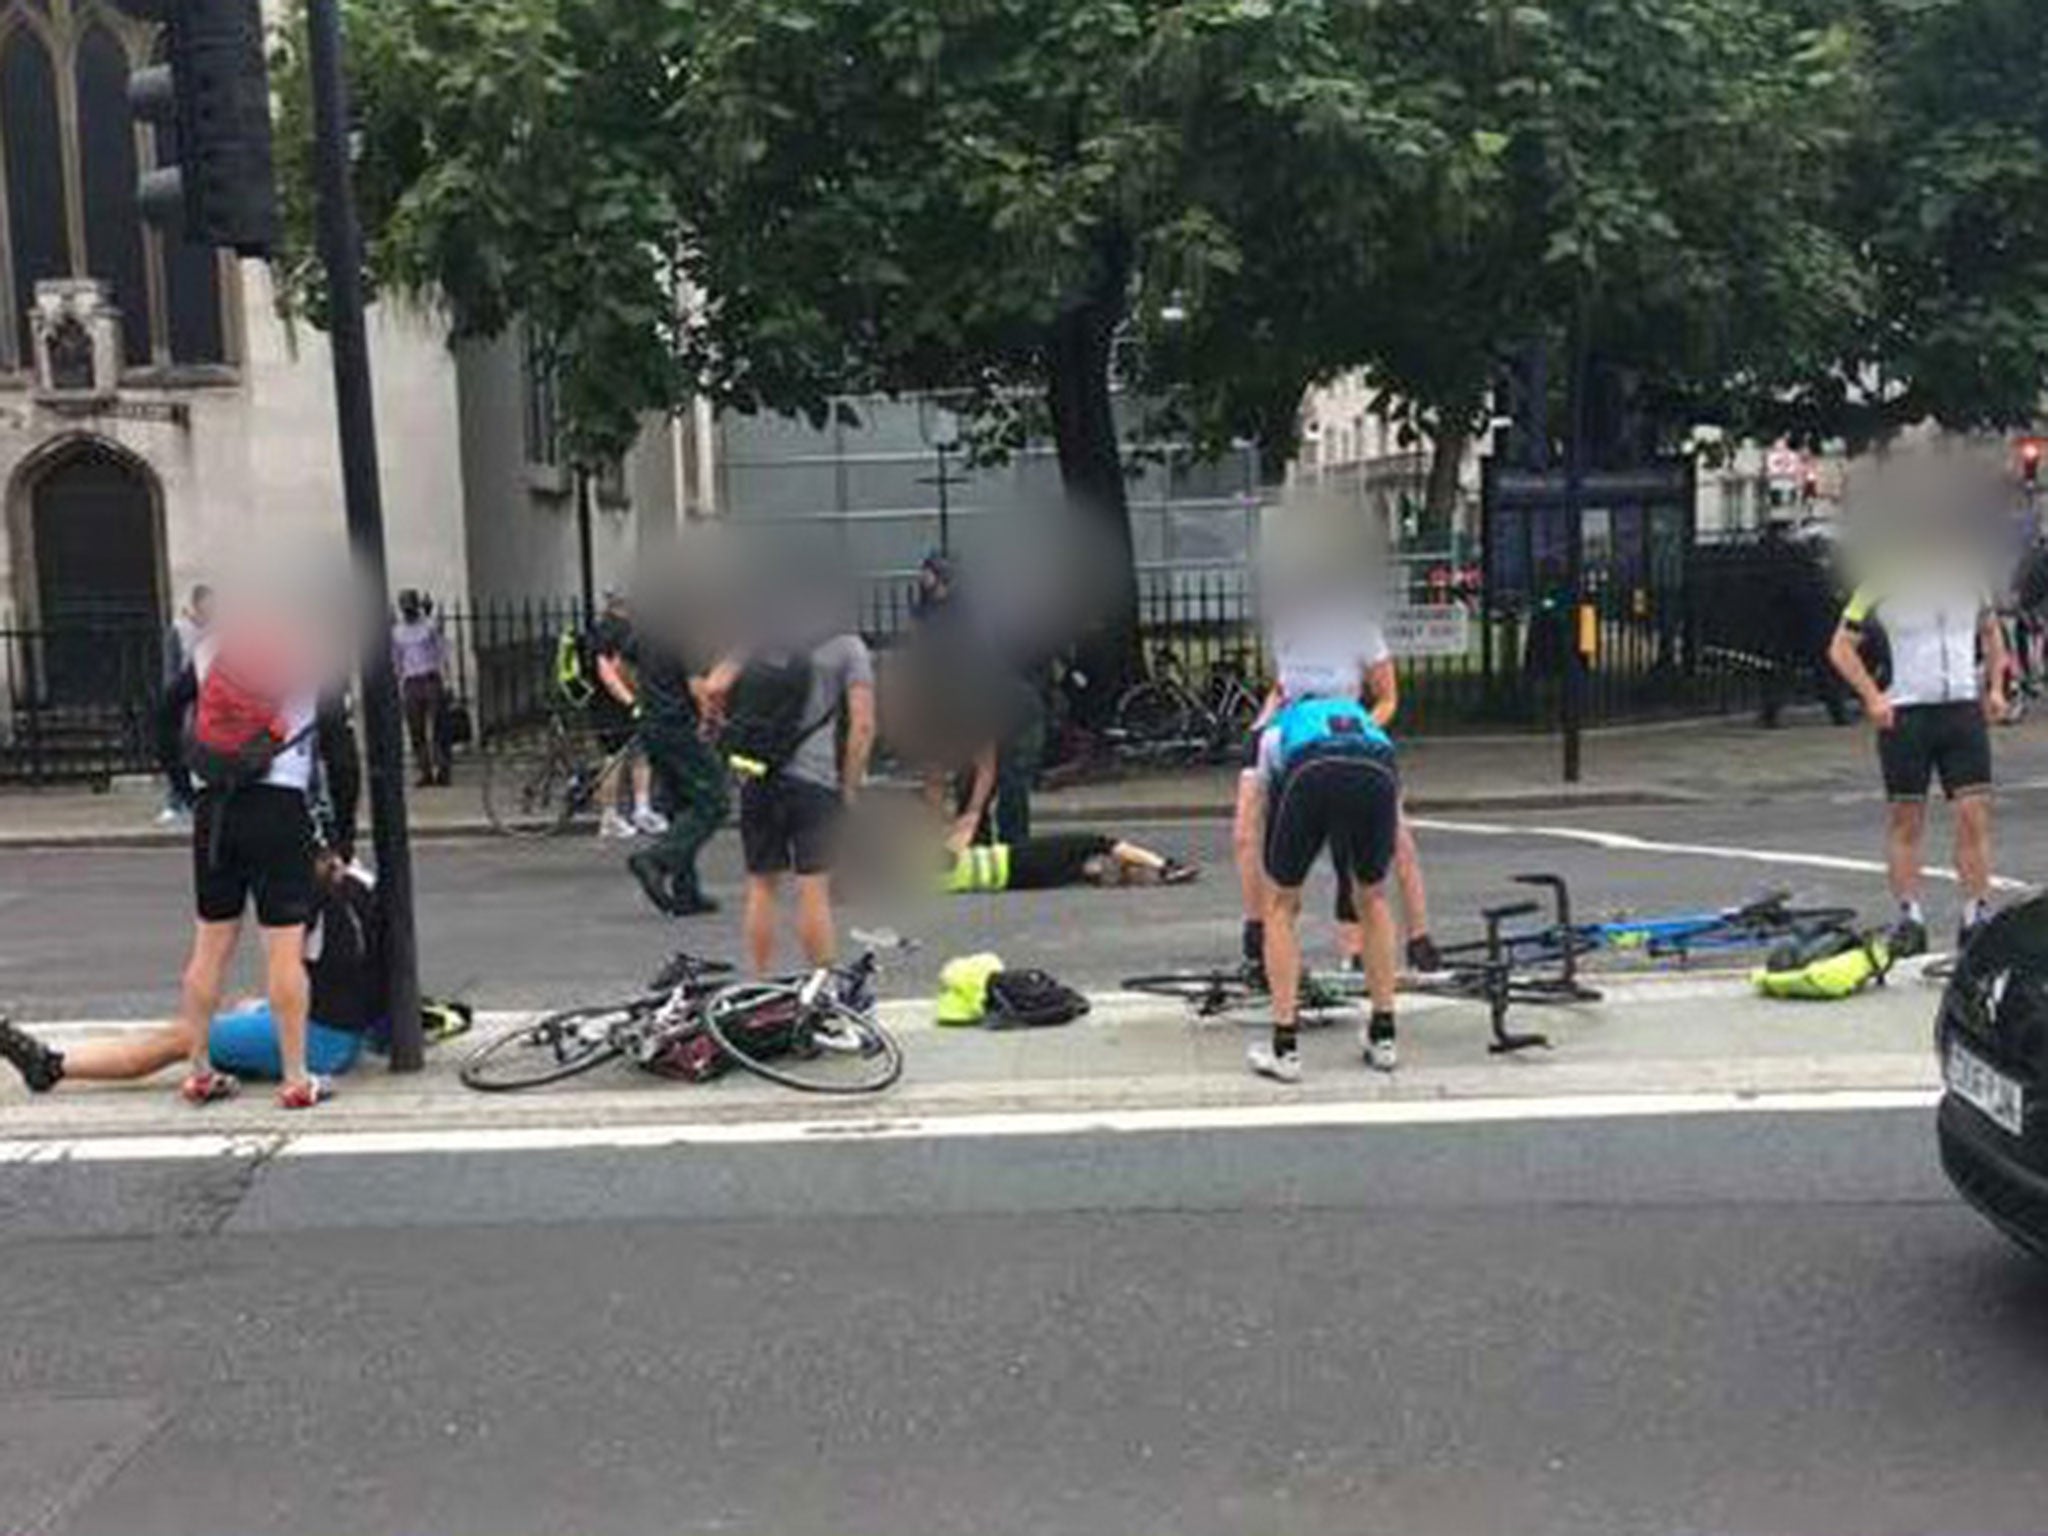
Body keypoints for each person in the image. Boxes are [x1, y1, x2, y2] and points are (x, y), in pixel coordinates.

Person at [1828, 574, 2006, 956]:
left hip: (1960, 709)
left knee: (1973, 814)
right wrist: (1872, 697)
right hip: (1906, 714)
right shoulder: (1879, 581)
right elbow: (1841, 648)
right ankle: (1910, 916)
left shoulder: (1971, 578)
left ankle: (1976, 913)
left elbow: (1991, 634)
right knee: (1907, 818)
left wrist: (1994, 687)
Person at [705, 629, 876, 974]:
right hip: (814, 781)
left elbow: (715, 685)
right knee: (813, 888)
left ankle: (761, 978)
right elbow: (863, 724)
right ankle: (820, 983)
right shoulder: (846, 645)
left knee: (761, 885)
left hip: (759, 772)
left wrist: (732, 726)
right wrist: (850, 784)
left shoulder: (759, 636)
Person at [614, 616, 727, 918]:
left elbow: (620, 668)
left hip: (652, 727)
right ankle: (657, 859)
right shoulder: (686, 637)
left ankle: (686, 891)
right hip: (681, 727)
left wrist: (642, 699)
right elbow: (697, 688)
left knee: (681, 806)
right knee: (714, 802)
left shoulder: (646, 631)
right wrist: (711, 721)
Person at [587, 594, 667, 840]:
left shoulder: (610, 629)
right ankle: (609, 818)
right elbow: (607, 672)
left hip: (623, 703)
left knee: (640, 753)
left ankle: (641, 810)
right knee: (615, 759)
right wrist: (630, 701)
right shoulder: (611, 632)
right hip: (611, 706)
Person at [939, 832, 1197, 893]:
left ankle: (1140, 874)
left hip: (1020, 880)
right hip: (1012, 860)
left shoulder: (928, 883)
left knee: (1079, 872)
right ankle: (1164, 866)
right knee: (1095, 842)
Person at [155, 583, 213, 824]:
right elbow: (172, 669)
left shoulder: (214, 630)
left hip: (205, 700)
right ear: (196, 604)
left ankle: (196, 797)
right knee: (178, 746)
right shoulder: (180, 630)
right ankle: (174, 800)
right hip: (184, 700)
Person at [392, 590, 451, 787]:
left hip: (430, 678)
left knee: (438, 728)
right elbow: (397, 660)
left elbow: (442, 653)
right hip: (411, 681)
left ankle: (442, 768)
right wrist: (399, 685)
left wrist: (447, 679)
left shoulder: (429, 627)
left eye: (410, 606)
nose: (408, 611)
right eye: (404, 607)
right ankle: (425, 770)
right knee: (416, 729)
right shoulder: (398, 632)